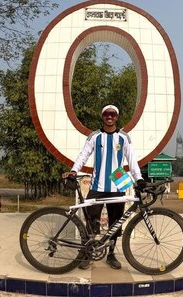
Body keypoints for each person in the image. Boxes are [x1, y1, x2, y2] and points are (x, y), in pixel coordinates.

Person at [62, 105, 146, 270]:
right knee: (92, 222)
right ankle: (87, 254)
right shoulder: (95, 136)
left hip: (118, 183)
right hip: (97, 185)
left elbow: (132, 160)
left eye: (113, 114)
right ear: (102, 117)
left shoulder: (124, 137)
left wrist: (140, 179)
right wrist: (74, 170)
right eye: (106, 114)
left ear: (116, 117)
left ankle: (111, 254)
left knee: (116, 223)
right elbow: (83, 155)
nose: (109, 117)